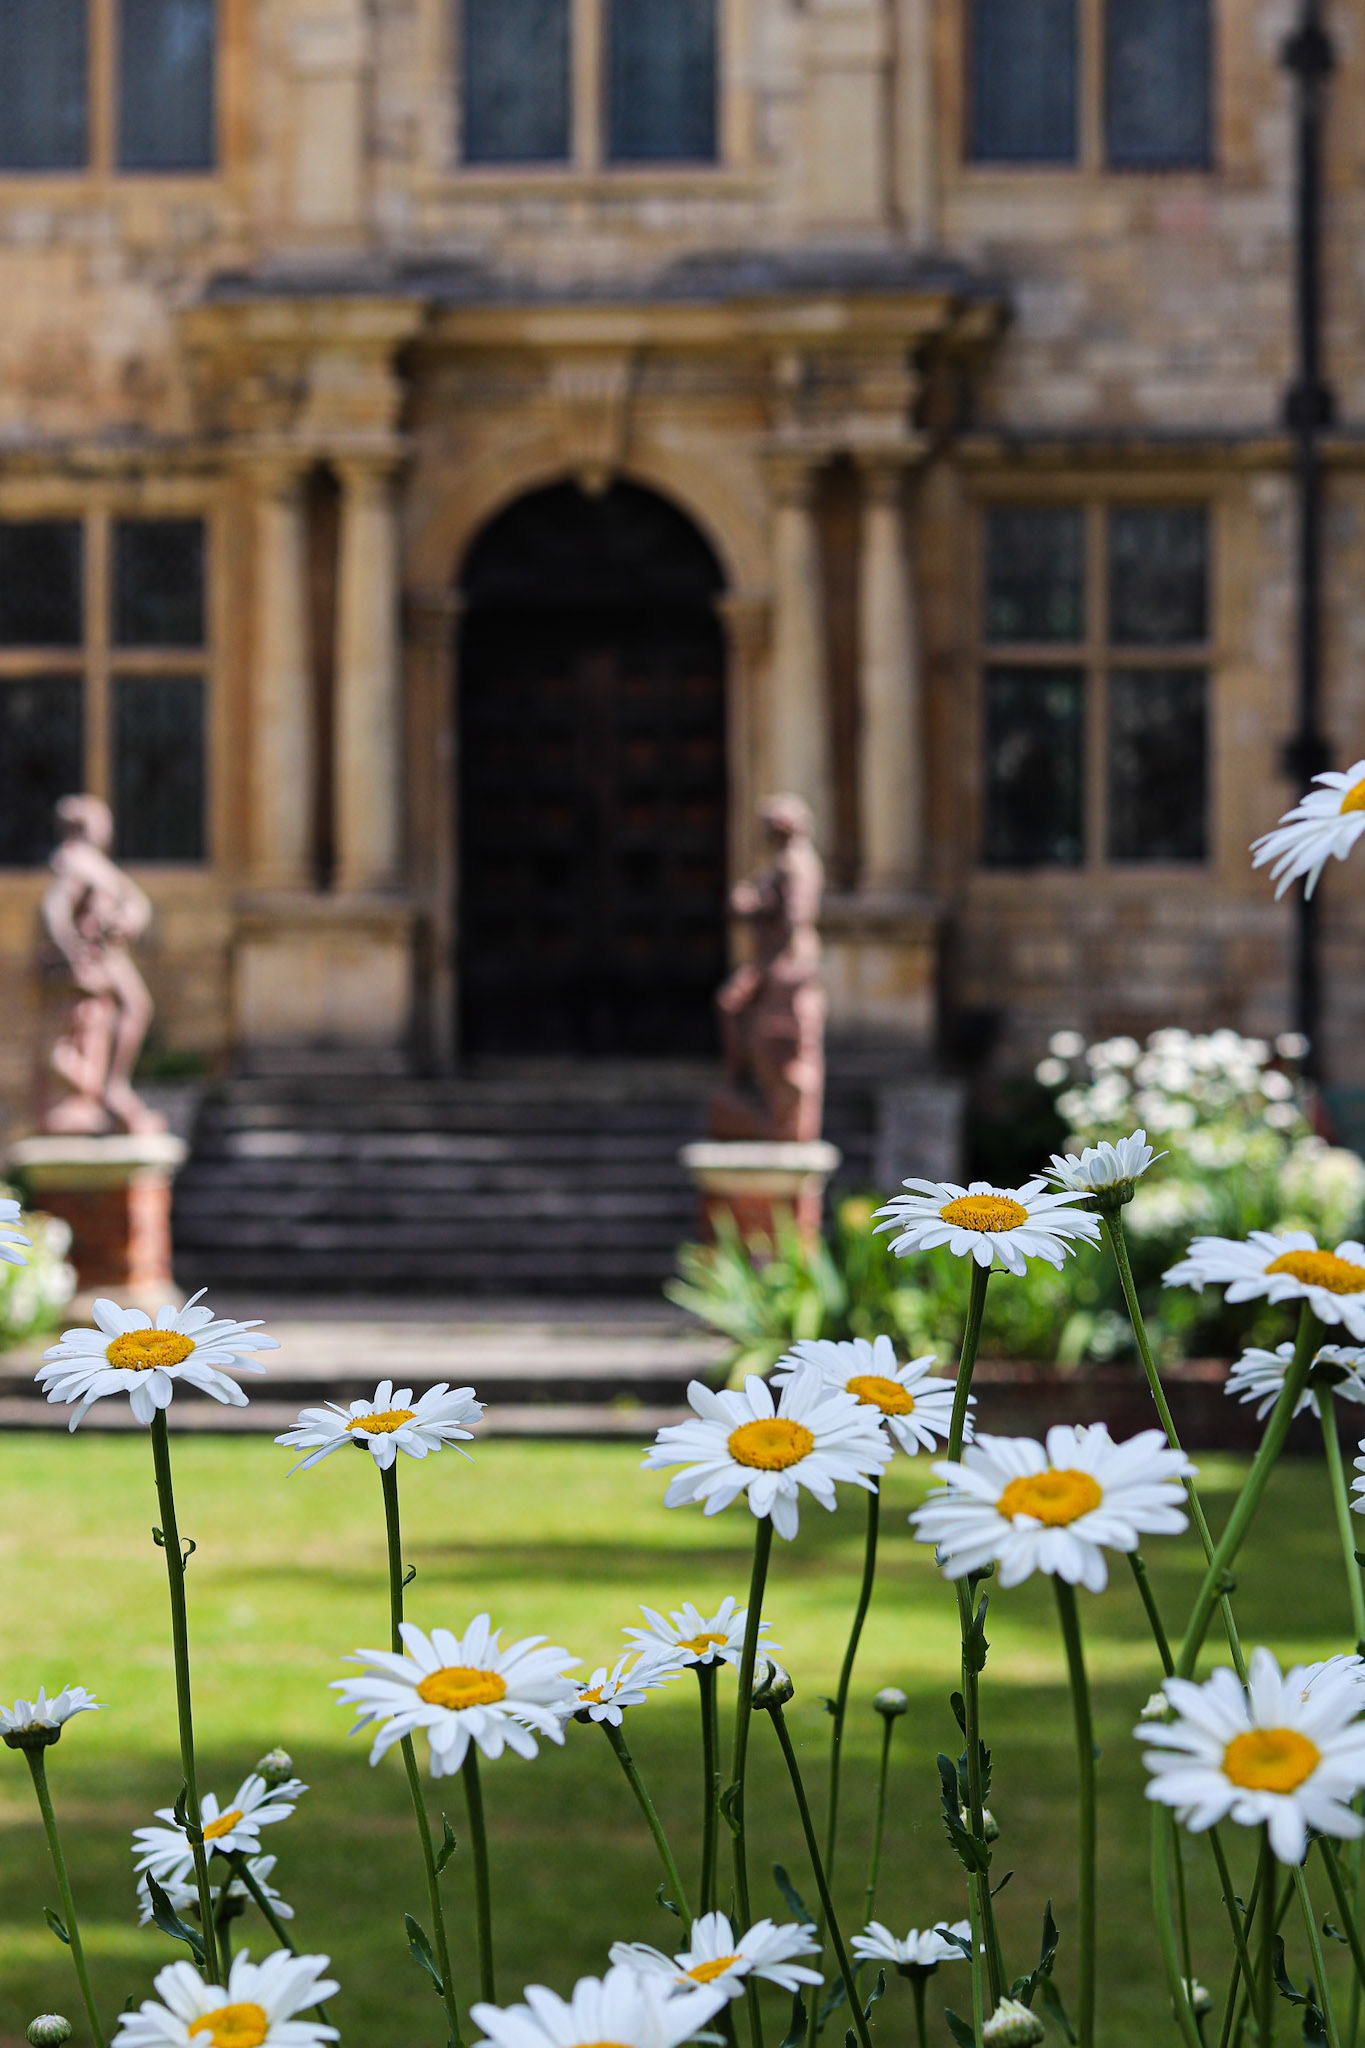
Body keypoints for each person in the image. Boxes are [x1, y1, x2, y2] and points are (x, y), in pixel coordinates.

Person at [40, 795, 165, 1135]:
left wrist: (128, 919)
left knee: (132, 1009)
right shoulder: (74, 861)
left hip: (108, 952)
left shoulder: (94, 863)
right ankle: (111, 1087)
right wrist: (70, 948)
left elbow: (136, 900)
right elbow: (54, 909)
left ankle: (114, 1086)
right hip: (95, 955)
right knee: (131, 1009)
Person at [711, 793, 826, 1143]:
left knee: (759, 1027)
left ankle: (771, 1109)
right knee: (741, 1015)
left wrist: (759, 971)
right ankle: (757, 1098)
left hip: (784, 964)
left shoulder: (795, 865)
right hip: (780, 961)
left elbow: (793, 918)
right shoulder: (787, 863)